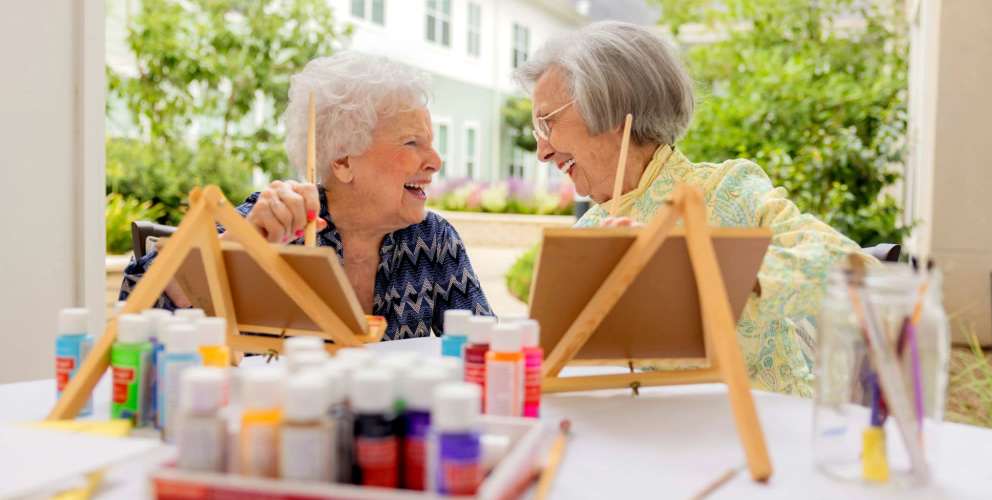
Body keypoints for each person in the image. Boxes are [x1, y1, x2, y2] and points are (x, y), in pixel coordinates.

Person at [515, 21, 874, 396]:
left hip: (764, 435)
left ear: (609, 107)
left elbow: (858, 274)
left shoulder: (731, 191)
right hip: (641, 440)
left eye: (546, 122)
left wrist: (687, 263)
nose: (542, 151)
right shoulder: (587, 237)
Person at [121, 52, 493, 340]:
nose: (436, 161)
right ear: (343, 161)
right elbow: (135, 309)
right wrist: (237, 242)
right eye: (412, 142)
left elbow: (490, 349)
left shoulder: (433, 240)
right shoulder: (276, 218)